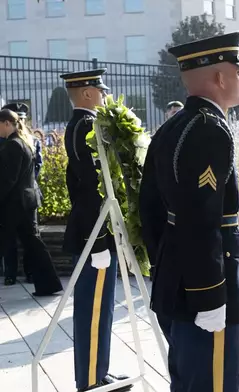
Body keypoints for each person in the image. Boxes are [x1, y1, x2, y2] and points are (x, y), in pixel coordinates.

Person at [140, 31, 239, 392]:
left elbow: (150, 209)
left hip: (176, 281)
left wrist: (166, 265)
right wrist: (210, 294)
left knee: (189, 381)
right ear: (219, 77)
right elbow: (202, 221)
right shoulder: (209, 130)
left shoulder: (173, 126)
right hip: (204, 290)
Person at [59, 69, 132, 392]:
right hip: (95, 234)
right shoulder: (86, 126)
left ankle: (98, 372)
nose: (105, 95)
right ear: (87, 93)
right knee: (93, 310)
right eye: (100, 91)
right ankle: (90, 380)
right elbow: (92, 188)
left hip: (96, 231)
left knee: (102, 309)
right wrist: (99, 241)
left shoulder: (80, 125)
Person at [0, 109, 62, 296]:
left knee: (30, 243)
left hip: (15, 204)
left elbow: (8, 179)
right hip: (25, 201)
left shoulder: (13, 145)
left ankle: (49, 283)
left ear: (6, 123)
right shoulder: (24, 142)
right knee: (33, 243)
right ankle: (48, 284)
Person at [1, 102, 41, 285]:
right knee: (13, 238)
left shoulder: (25, 141)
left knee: (29, 237)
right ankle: (11, 273)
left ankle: (32, 271)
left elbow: (36, 167)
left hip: (21, 195)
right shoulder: (11, 141)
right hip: (18, 196)